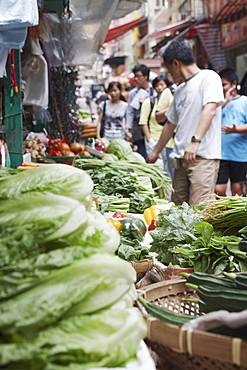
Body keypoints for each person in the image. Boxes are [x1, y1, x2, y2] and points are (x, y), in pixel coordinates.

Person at [146, 40, 224, 207]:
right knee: (178, 210)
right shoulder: (180, 89)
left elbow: (209, 110)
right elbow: (170, 124)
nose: (168, 73)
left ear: (176, 63)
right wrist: (155, 152)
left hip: (203, 158)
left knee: (198, 211)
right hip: (181, 159)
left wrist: (195, 141)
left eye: (167, 68)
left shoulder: (209, 78)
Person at [215, 68, 247, 196]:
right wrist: (225, 100)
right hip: (220, 153)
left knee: (237, 188)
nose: (222, 88)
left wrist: (235, 130)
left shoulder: (244, 101)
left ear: (234, 84)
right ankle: (223, 215)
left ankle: (234, 216)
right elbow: (211, 117)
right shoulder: (218, 103)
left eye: (224, 84)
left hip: (239, 154)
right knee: (218, 189)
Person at [139, 75, 173, 175]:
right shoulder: (150, 102)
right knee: (157, 171)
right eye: (157, 85)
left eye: (162, 85)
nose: (160, 88)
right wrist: (149, 139)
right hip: (154, 140)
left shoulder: (172, 101)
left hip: (170, 142)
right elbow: (143, 122)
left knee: (169, 171)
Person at [125, 64, 156, 158]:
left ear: (146, 76)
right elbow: (130, 111)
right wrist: (127, 128)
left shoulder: (154, 91)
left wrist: (147, 103)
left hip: (152, 125)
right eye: (135, 76)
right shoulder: (133, 93)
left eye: (138, 76)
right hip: (138, 127)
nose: (136, 79)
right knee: (141, 154)